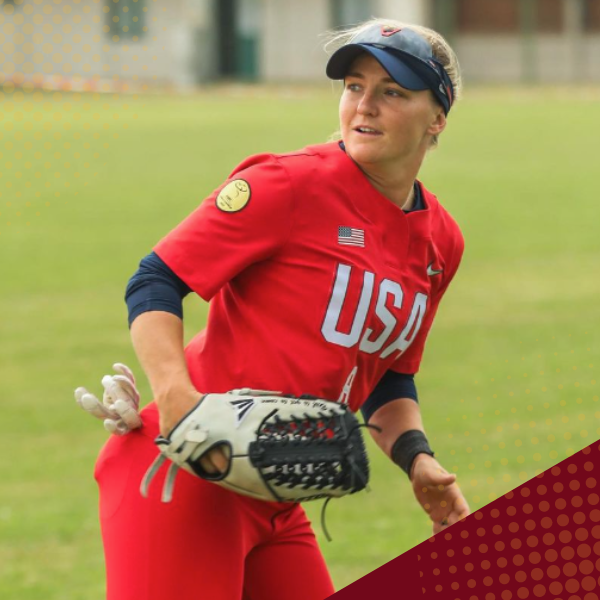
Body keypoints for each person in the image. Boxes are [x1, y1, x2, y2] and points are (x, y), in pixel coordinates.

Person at [79, 18, 470, 600]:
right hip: (183, 471)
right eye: (354, 86)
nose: (364, 105)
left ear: (436, 117)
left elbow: (388, 374)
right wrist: (175, 398)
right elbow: (156, 278)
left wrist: (417, 459)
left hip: (273, 490)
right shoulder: (289, 185)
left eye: (392, 91)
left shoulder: (441, 241)